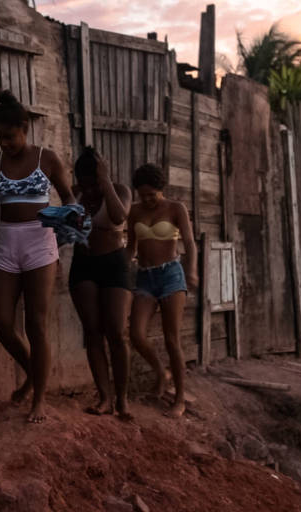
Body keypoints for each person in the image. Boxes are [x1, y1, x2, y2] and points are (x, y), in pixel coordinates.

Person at [0, 90, 76, 424]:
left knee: (35, 323)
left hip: (40, 241)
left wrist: (61, 239)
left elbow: (69, 198)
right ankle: (33, 374)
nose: (4, 143)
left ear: (25, 129)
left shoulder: (47, 159)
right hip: (7, 243)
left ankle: (39, 400)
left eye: (10, 136)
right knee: (1, 321)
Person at [126, 164, 198, 418]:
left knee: (171, 339)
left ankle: (179, 399)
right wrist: (122, 269)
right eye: (142, 195)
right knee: (135, 333)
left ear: (161, 190)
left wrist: (192, 272)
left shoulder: (176, 208)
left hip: (171, 275)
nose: (146, 200)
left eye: (151, 195)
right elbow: (131, 248)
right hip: (145, 277)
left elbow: (189, 242)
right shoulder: (134, 212)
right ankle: (161, 372)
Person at [68, 148, 133, 420]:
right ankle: (104, 397)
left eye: (94, 183)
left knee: (117, 332)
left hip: (114, 264)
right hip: (83, 265)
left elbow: (119, 217)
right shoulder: (75, 192)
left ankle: (122, 399)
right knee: (93, 332)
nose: (91, 190)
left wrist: (105, 183)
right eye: (86, 184)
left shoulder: (119, 190)